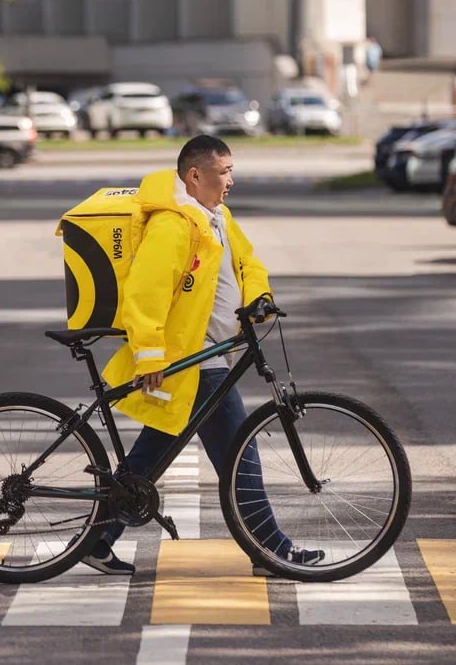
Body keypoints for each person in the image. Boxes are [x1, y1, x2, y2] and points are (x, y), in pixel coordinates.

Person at [80, 135, 325, 576]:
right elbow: (145, 293)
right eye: (225, 171)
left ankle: (98, 539)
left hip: (207, 356)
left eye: (233, 170)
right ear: (195, 175)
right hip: (193, 360)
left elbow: (248, 263)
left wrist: (259, 297)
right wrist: (151, 357)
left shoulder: (217, 216)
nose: (232, 180)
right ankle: (271, 550)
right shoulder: (174, 225)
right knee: (239, 458)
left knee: (149, 457)